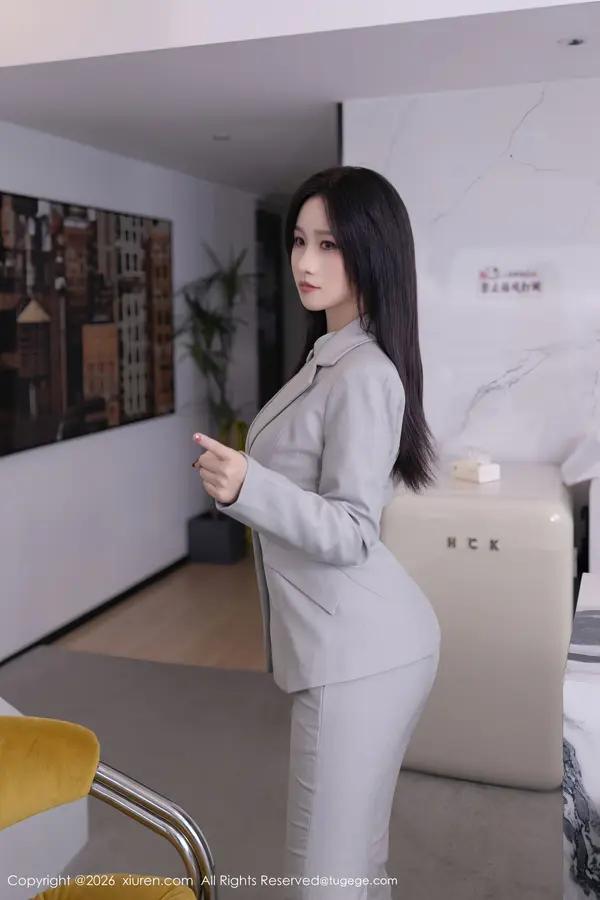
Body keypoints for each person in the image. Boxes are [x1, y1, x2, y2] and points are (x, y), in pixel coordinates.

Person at [192, 165, 442, 899]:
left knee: (323, 877)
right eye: (300, 241)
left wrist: (249, 486)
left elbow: (355, 530)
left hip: (361, 657)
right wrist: (250, 488)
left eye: (329, 244)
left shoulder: (362, 372)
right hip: (360, 646)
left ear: (371, 250)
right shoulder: (330, 356)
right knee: (354, 861)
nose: (306, 261)